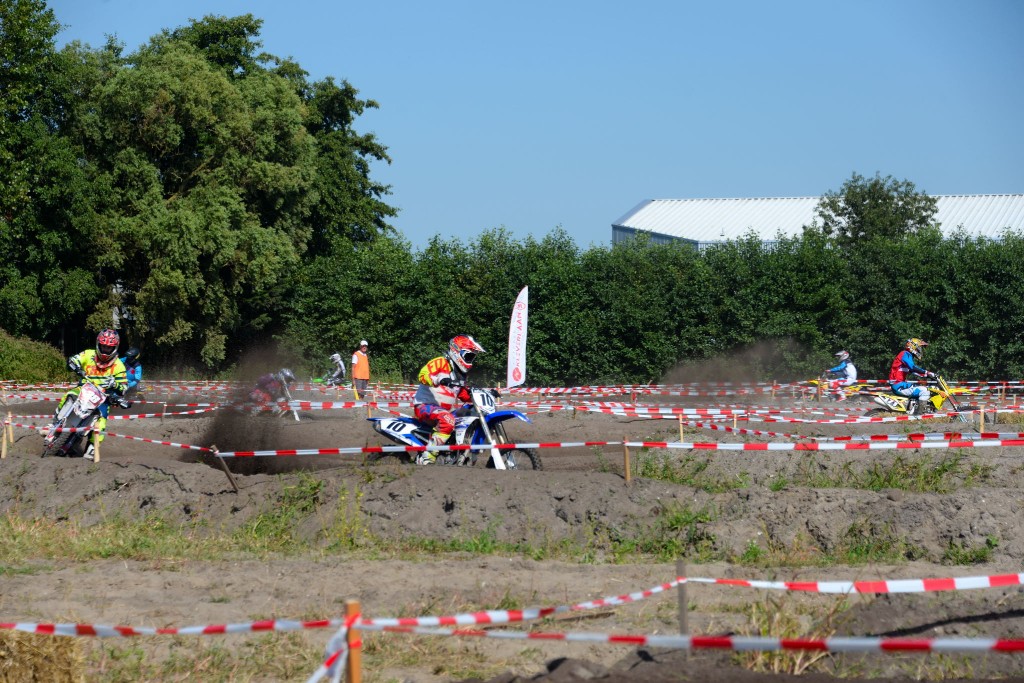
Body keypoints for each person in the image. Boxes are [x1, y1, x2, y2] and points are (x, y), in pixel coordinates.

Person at [52, 329, 129, 460]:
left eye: (108, 348)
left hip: (103, 398)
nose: (105, 350)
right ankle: (55, 423)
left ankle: (92, 447)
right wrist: (74, 365)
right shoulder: (89, 354)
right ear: (98, 344)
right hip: (83, 389)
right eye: (103, 346)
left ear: (115, 348)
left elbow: (123, 388)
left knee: (101, 421)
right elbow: (74, 360)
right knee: (70, 395)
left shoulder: (119, 366)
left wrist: (115, 385)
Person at [412, 334, 486, 464]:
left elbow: (463, 394)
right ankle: (426, 457)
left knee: (469, 414)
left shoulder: (461, 374)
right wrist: (439, 379)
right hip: (425, 406)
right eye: (469, 356)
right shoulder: (440, 362)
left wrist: (484, 394)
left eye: (472, 357)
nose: (470, 360)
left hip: (444, 410)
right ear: (457, 352)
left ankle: (455, 455)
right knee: (447, 420)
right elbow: (423, 375)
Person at [888, 338, 935, 415]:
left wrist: (928, 375)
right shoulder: (904, 354)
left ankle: (913, 410)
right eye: (919, 348)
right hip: (898, 385)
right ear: (913, 346)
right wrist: (928, 372)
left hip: (900, 384)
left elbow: (913, 371)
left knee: (923, 388)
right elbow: (912, 367)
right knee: (924, 391)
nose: (920, 350)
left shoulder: (908, 356)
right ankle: (919, 415)